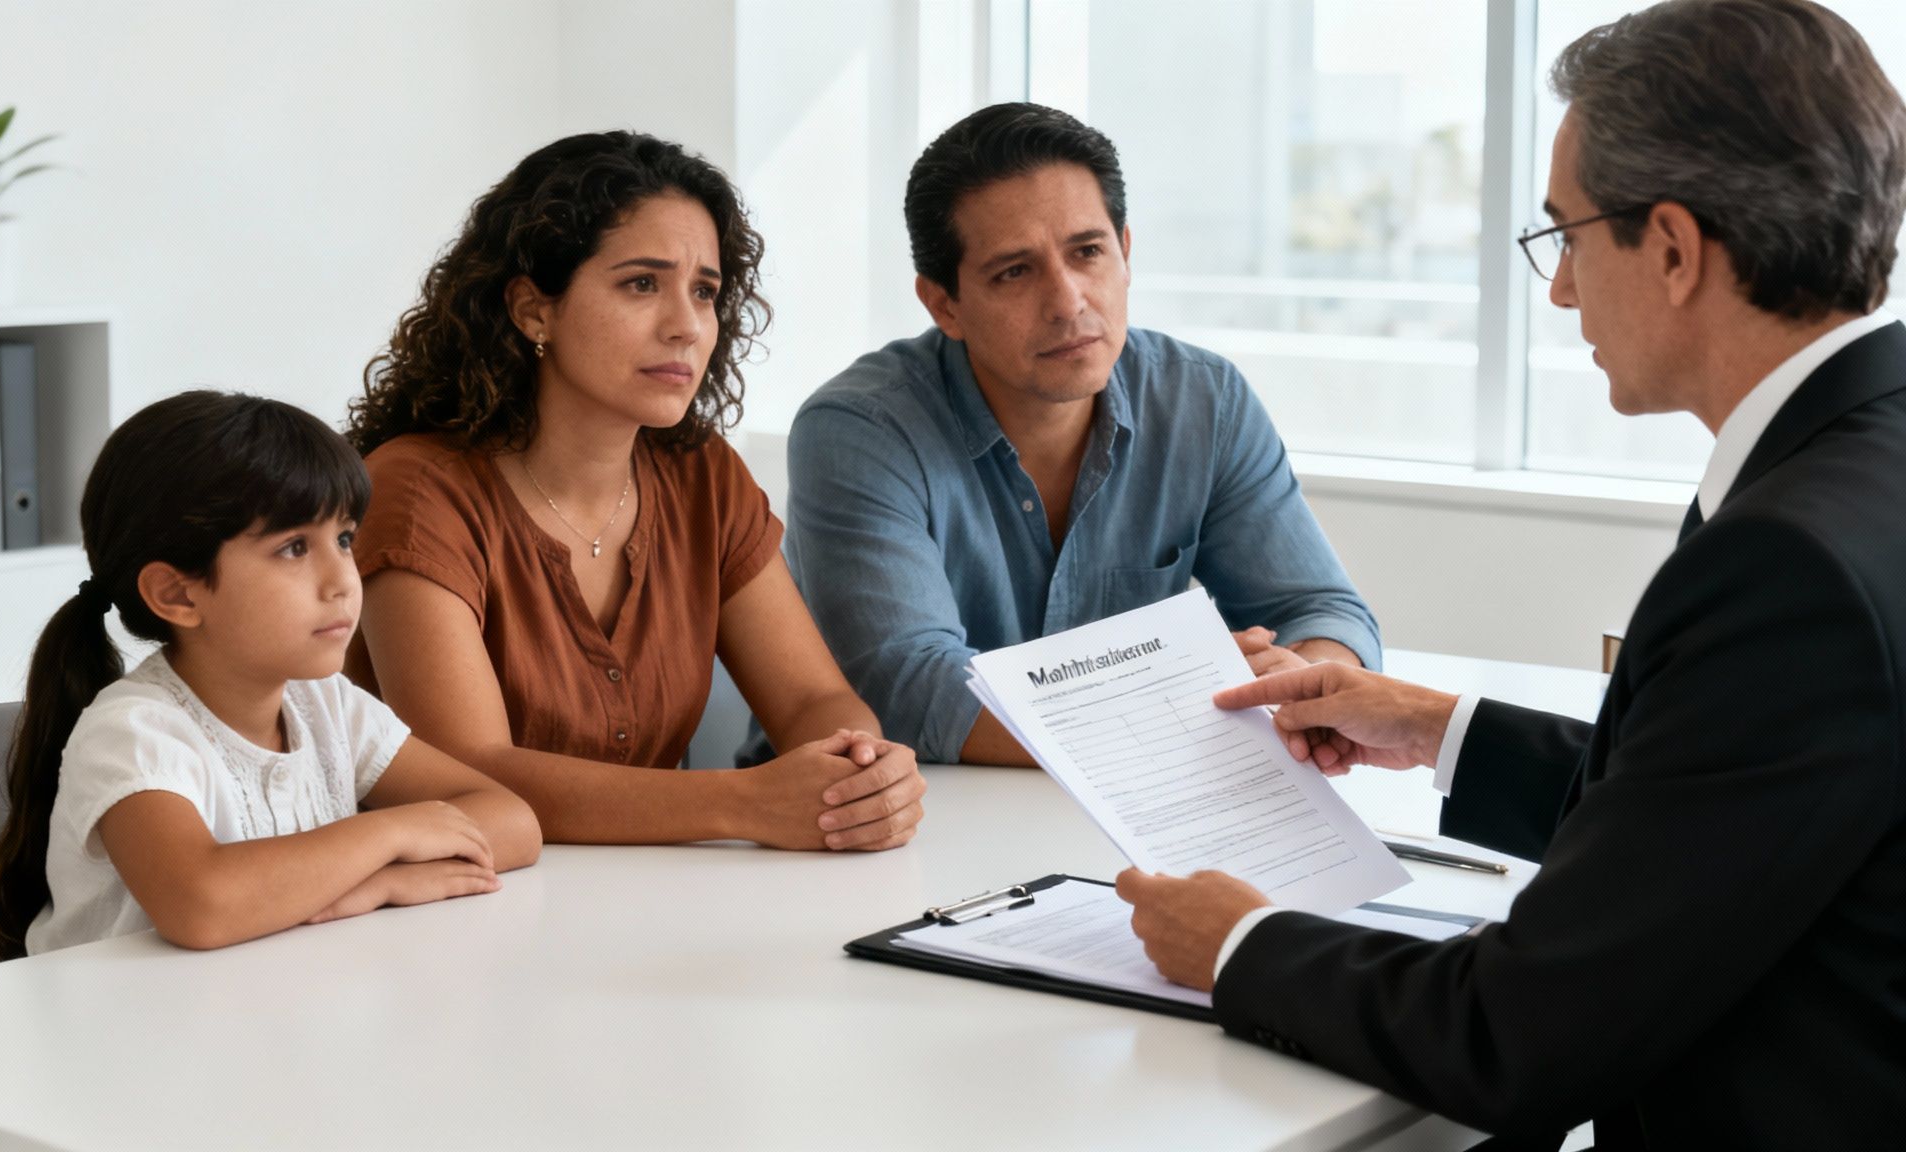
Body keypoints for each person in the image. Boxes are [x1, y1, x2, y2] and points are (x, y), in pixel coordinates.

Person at [1117, 1, 1906, 1146]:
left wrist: (1238, 944)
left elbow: (1517, 1034)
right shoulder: (1862, 461)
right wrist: (1439, 727)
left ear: (1674, 250)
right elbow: (1724, 819)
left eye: (1567, 238)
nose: (1559, 292)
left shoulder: (1786, 564)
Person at [345, 132, 926, 851]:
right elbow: (468, 774)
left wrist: (856, 770)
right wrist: (745, 802)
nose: (686, 326)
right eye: (641, 284)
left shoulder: (702, 474)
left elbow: (811, 697)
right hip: (451, 910)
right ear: (534, 311)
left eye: (705, 292)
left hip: (654, 906)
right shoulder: (416, 488)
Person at [769, 102, 1379, 768]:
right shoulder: (861, 430)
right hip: (900, 823)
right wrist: (1175, 689)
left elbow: (1319, 608)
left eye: (1087, 252)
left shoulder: (1204, 399)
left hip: (1133, 804)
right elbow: (912, 693)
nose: (1068, 302)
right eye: (1014, 272)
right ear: (945, 304)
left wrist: (1309, 686)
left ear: (1125, 252)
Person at [0, 391, 541, 957]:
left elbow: (514, 822)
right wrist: (390, 839)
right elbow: (202, 904)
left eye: (343, 539)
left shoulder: (325, 705)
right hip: (128, 1032)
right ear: (176, 594)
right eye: (295, 548)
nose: (343, 579)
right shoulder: (134, 733)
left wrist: (369, 883)